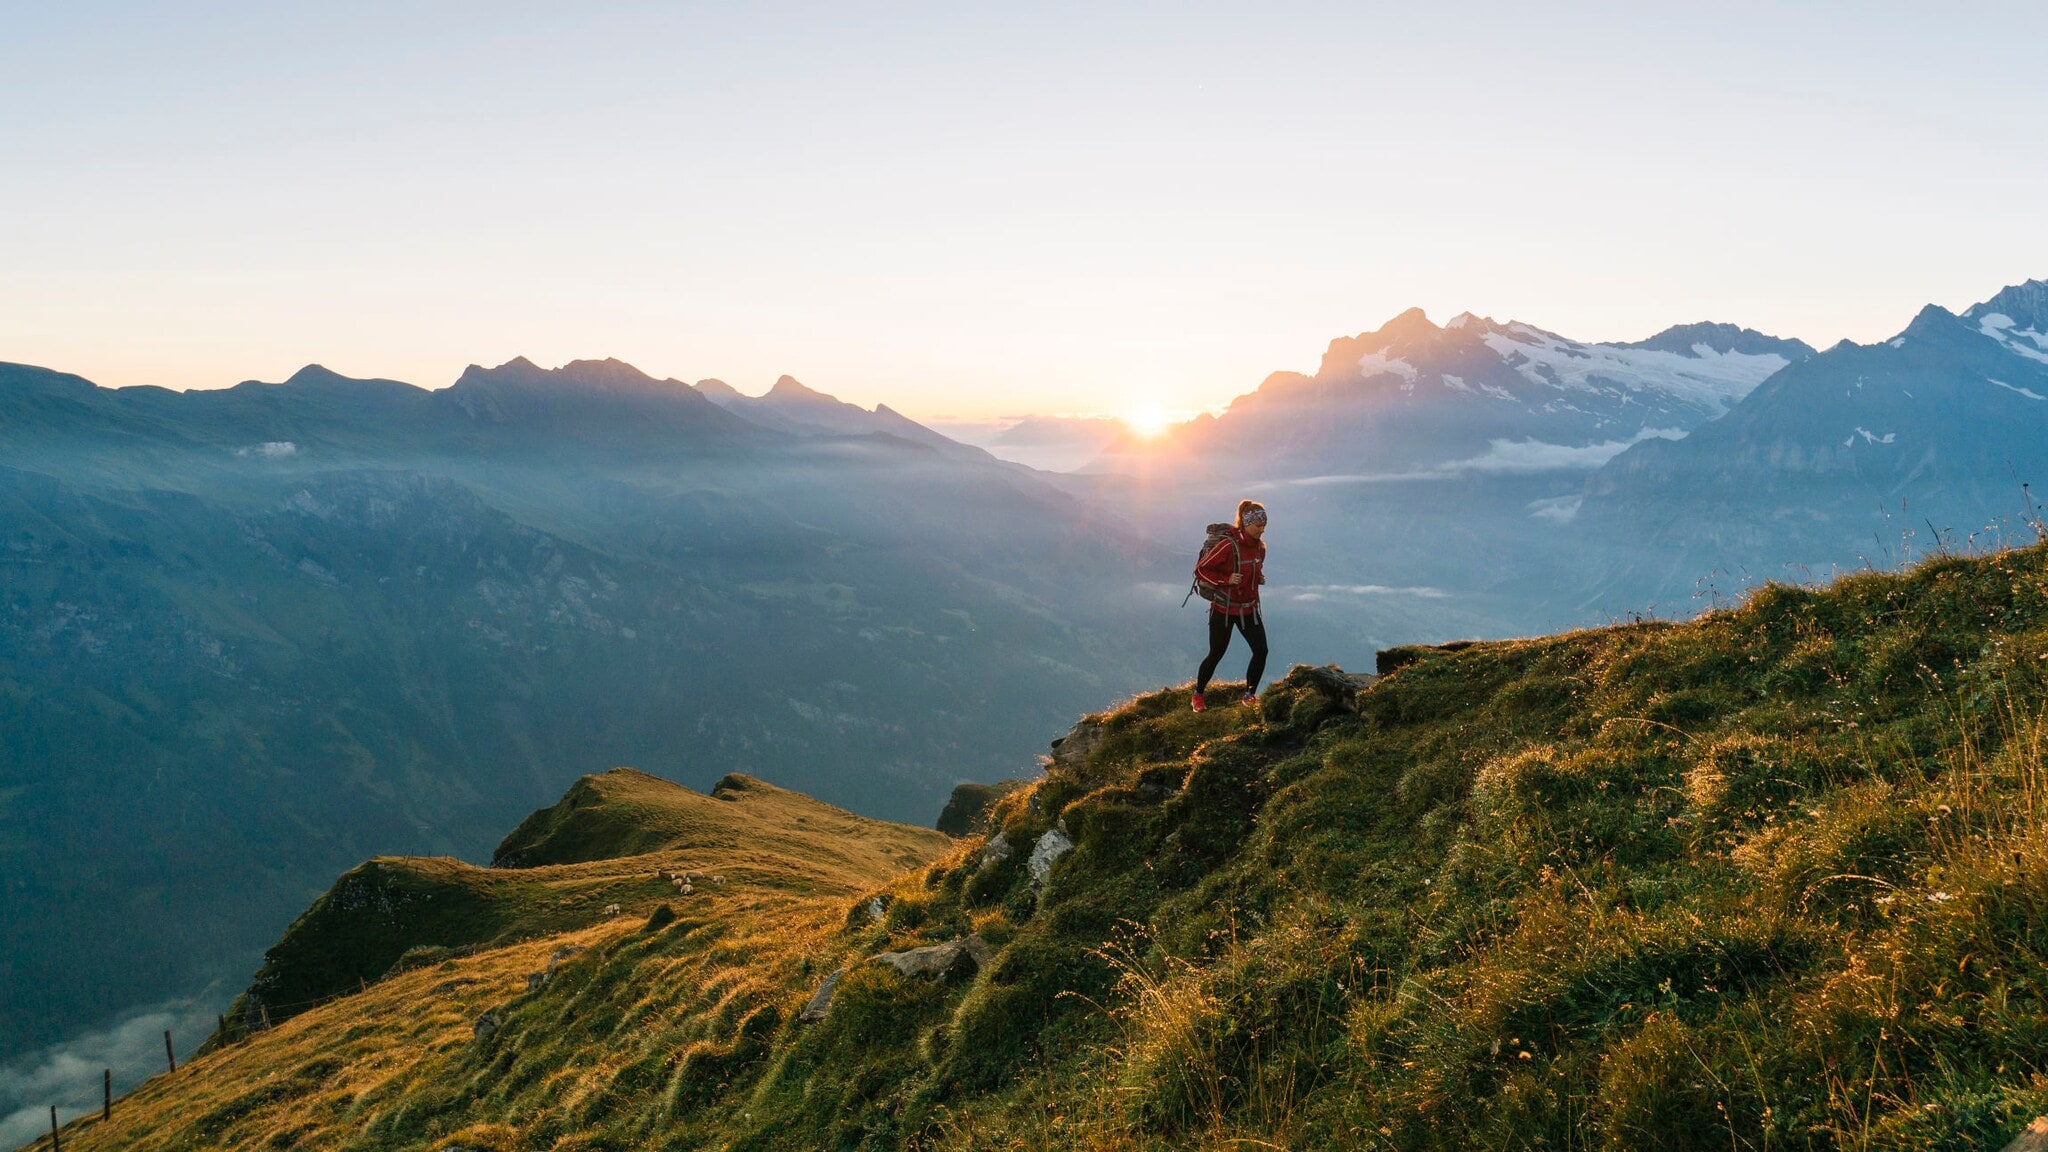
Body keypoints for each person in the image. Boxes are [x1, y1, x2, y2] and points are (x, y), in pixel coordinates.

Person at [1191, 500, 1268, 712]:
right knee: (1216, 654)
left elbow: (1252, 569)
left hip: (1249, 610)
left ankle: (1249, 695)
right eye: (1258, 526)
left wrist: (1258, 577)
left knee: (1261, 651)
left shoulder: (1260, 549)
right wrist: (1225, 580)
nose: (1262, 530)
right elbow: (1200, 570)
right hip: (1223, 610)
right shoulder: (1228, 545)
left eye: (1264, 526)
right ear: (1246, 523)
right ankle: (1198, 694)